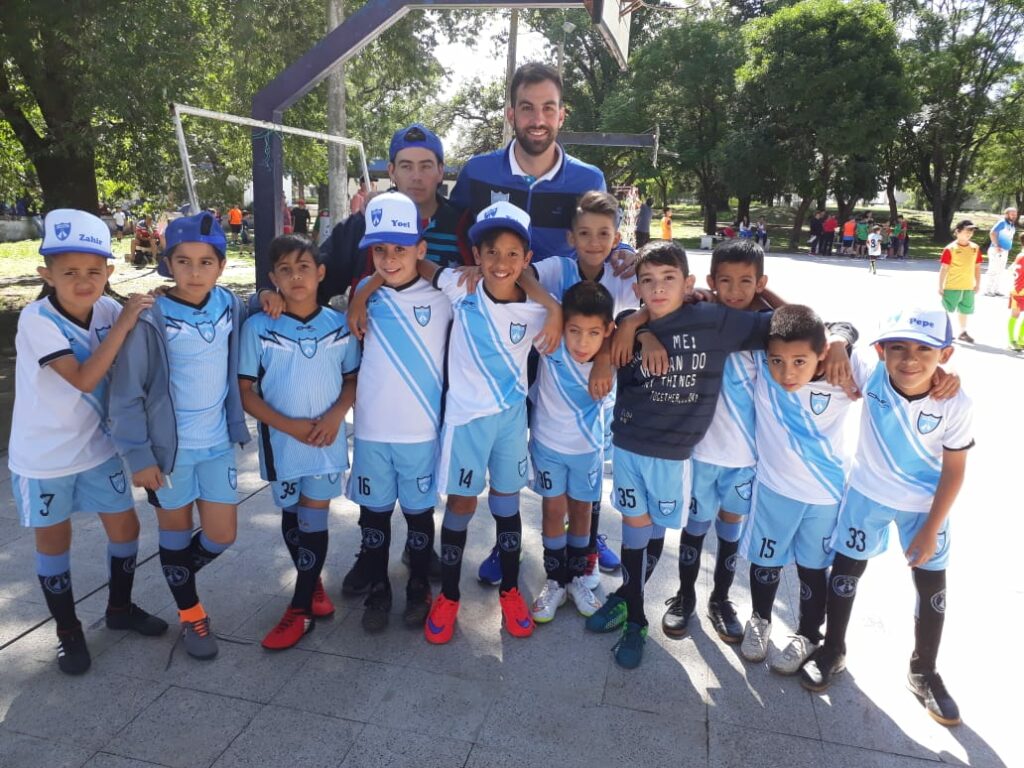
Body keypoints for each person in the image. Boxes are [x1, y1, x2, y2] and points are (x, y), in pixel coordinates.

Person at [587, 242, 778, 669]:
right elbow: (612, 327)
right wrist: (634, 330)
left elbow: (789, 324)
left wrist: (836, 339)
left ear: (688, 284)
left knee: (660, 528)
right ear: (637, 287)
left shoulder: (712, 320)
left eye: (669, 279)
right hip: (628, 446)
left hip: (677, 455)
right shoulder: (630, 323)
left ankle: (646, 596)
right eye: (648, 281)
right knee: (636, 531)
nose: (658, 289)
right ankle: (635, 614)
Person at [8, 210, 168, 675]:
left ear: (110, 272)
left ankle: (119, 608)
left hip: (99, 449)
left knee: (126, 531)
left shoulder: (109, 311)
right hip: (45, 457)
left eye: (94, 271)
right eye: (70, 272)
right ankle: (68, 631)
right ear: (47, 274)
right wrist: (124, 324)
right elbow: (82, 378)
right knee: (54, 543)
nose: (83, 282)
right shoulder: (37, 320)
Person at [801, 308, 971, 728]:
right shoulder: (869, 373)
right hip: (867, 495)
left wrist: (932, 528)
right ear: (880, 351)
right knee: (845, 573)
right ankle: (832, 648)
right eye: (898, 347)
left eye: (924, 350)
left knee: (932, 588)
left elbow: (954, 470)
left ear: (946, 354)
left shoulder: (955, 402)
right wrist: (837, 343)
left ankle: (924, 670)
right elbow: (824, 326)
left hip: (925, 507)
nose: (910, 359)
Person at [410, 202, 562, 644]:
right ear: (475, 255)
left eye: (513, 253)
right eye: (490, 251)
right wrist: (364, 293)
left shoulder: (537, 312)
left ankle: (511, 591)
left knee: (507, 504)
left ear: (527, 259)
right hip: (465, 421)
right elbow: (420, 264)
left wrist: (551, 306)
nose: (501, 262)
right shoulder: (461, 287)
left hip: (510, 421)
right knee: (461, 505)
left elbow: (577, 322)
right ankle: (450, 595)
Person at [483, 190, 642, 592]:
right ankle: (526, 556)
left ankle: (587, 552)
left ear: (616, 237)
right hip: (552, 397)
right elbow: (522, 275)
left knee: (586, 492)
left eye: (603, 234)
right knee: (554, 497)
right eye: (584, 233)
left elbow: (650, 306)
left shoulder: (622, 274)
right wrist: (553, 309)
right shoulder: (558, 268)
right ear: (571, 237)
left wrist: (611, 347)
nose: (594, 242)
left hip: (594, 403)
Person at [110, 211, 251, 662]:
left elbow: (257, 313)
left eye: (206, 261)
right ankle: (191, 613)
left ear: (221, 266)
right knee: (173, 532)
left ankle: (176, 572)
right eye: (183, 261)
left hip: (216, 444)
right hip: (167, 455)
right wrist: (139, 456)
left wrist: (268, 296)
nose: (194, 271)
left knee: (221, 535)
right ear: (168, 263)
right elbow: (126, 393)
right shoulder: (150, 316)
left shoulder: (229, 304)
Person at [239, 234, 359, 650]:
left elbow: (352, 380)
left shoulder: (339, 325)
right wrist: (288, 426)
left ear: (320, 272)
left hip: (325, 440)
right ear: (273, 278)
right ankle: (313, 582)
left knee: (314, 517)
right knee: (292, 515)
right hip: (282, 441)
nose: (296, 277)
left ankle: (300, 608)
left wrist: (336, 414)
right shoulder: (258, 327)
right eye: (285, 270)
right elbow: (245, 392)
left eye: (304, 267)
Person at [341, 192, 453, 632]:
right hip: (372, 430)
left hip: (420, 432)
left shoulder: (443, 297)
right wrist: (361, 293)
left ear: (420, 249)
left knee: (419, 515)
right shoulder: (364, 295)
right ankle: (379, 589)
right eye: (380, 250)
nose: (389, 259)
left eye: (401, 249)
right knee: (373, 516)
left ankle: (419, 587)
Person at [662, 239, 778, 644]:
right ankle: (684, 597)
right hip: (701, 454)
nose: (735, 290)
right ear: (711, 281)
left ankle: (721, 599)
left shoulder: (767, 330)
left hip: (744, 459)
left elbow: (807, 321)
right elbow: (655, 311)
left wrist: (764, 296)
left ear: (761, 283)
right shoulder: (701, 318)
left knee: (730, 531)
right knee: (694, 529)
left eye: (747, 281)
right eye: (725, 280)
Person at [739, 306, 858, 673]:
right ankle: (759, 619)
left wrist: (841, 340)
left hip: (825, 495)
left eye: (799, 362)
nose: (786, 372)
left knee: (813, 569)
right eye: (777, 360)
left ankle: (808, 634)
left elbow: (900, 380)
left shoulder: (844, 371)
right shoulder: (764, 367)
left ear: (821, 353)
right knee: (765, 560)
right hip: (773, 489)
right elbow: (764, 308)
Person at [450, 63, 618, 267]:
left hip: (560, 289)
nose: (538, 120)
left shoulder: (590, 181)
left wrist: (624, 253)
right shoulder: (476, 172)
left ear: (561, 116)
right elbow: (449, 233)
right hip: (489, 286)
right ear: (511, 115)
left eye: (548, 108)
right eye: (527, 108)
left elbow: (606, 242)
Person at [528, 281, 615, 623]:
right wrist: (553, 309)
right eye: (574, 330)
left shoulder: (612, 356)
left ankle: (577, 578)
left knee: (581, 511)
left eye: (594, 333)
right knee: (553, 510)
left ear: (607, 331)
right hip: (548, 446)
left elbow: (635, 324)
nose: (582, 342)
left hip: (587, 450)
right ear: (563, 324)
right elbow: (523, 279)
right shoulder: (550, 342)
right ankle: (555, 581)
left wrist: (605, 356)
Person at [318, 122, 472, 304]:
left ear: (440, 171)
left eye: (426, 166)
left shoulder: (465, 226)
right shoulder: (366, 222)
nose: (416, 176)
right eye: (406, 166)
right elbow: (314, 281)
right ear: (392, 171)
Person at [938, 219, 982, 344]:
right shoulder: (950, 248)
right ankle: (943, 331)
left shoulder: (975, 248)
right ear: (958, 231)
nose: (969, 233)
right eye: (967, 231)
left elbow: (977, 267)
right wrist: (940, 286)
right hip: (953, 285)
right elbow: (944, 268)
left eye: (971, 231)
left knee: (965, 310)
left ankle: (963, 332)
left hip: (968, 286)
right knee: (947, 309)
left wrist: (978, 284)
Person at [985, 206, 1017, 296]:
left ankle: (996, 290)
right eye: (1012, 214)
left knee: (1000, 271)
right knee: (993, 270)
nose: (1014, 216)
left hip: (1005, 251)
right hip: (996, 250)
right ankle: (988, 290)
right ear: (1006, 214)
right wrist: (996, 245)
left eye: (1015, 214)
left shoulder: (1011, 224)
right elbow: (992, 233)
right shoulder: (1002, 222)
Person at [1009, 233, 1024, 352]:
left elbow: (1012, 269)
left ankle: (1020, 339)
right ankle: (1013, 340)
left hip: (1017, 289)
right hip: (1019, 290)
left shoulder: (1020, 255)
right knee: (1015, 315)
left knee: (1015, 315)